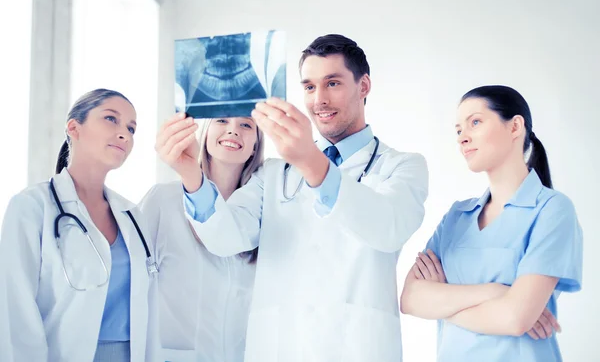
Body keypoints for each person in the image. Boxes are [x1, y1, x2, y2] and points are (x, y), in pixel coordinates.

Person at [158, 34, 429, 361]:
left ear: (364, 85)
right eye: (310, 87)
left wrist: (311, 162)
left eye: (333, 83)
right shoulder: (274, 174)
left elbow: (388, 228)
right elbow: (225, 237)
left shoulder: (403, 166)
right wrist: (190, 174)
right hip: (279, 349)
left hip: (356, 349)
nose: (319, 100)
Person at [400, 85, 583, 361]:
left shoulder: (551, 210)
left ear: (514, 127)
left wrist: (442, 301)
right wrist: (496, 292)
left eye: (475, 122)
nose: (463, 137)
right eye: (458, 130)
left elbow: (514, 318)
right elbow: (411, 300)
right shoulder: (456, 217)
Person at [0, 89, 159, 362]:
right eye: (111, 119)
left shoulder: (132, 214)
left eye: (131, 128)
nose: (125, 134)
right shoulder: (32, 207)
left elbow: (149, 310)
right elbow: (15, 311)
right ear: (74, 127)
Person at [139, 116, 264, 362]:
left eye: (246, 125)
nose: (233, 130)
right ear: (205, 134)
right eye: (222, 120)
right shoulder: (163, 201)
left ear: (255, 148)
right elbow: (132, 284)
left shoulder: (264, 211)